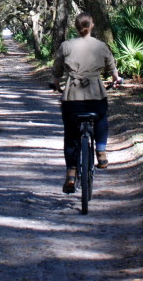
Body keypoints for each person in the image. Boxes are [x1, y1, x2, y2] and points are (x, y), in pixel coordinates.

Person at [51, 12, 122, 194]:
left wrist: (56, 83)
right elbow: (112, 67)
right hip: (96, 93)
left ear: (76, 26)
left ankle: (71, 174)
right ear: (92, 26)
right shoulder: (101, 45)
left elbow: (57, 68)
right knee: (101, 117)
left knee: (71, 134)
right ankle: (101, 152)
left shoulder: (66, 46)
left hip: (72, 96)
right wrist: (116, 79)